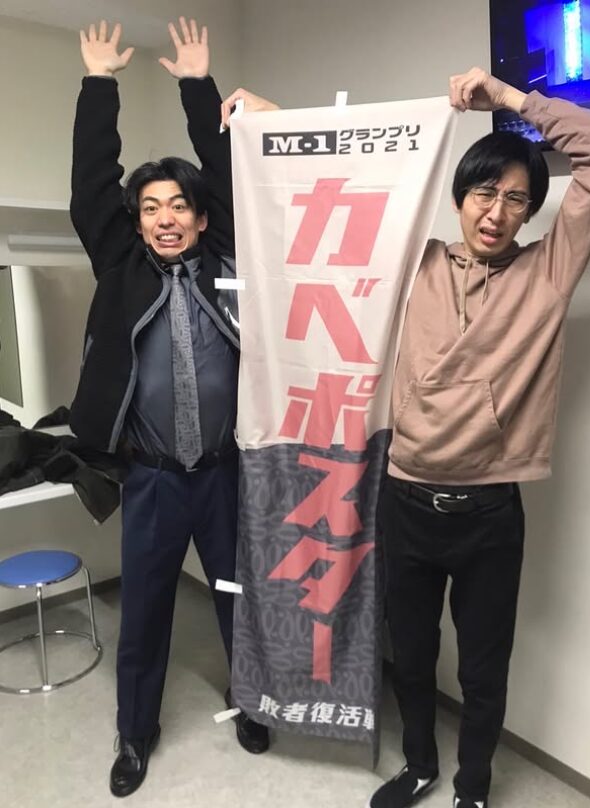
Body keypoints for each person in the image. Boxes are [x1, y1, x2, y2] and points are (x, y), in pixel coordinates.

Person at [367, 67, 590, 808]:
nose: (498, 211)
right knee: (411, 655)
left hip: (488, 511)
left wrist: (512, 100)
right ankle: (419, 764)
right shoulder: (415, 265)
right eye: (486, 192)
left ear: (530, 213)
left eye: (517, 199)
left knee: (483, 669)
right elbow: (347, 192)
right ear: (459, 197)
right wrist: (267, 124)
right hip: (406, 497)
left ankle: (473, 788)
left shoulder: (547, 274)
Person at [70, 18, 275, 798]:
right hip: (152, 479)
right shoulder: (121, 264)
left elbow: (227, 175)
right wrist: (99, 85)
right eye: (151, 206)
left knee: (238, 600)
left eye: (179, 205)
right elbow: (91, 186)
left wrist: (199, 87)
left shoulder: (228, 261)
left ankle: (250, 700)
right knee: (147, 614)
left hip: (223, 474)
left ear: (200, 216)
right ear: (138, 220)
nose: (165, 217)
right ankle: (136, 733)